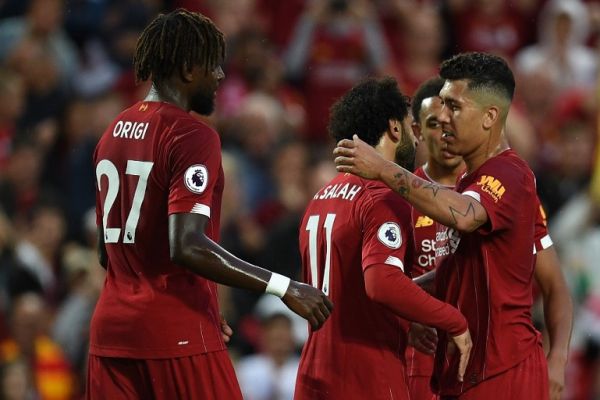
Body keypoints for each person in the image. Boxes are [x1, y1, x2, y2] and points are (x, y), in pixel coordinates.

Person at [87, 9, 332, 400]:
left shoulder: (112, 132)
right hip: (173, 331)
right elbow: (186, 245)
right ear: (188, 69)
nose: (220, 76)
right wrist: (284, 286)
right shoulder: (190, 134)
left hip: (111, 333)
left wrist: (201, 297)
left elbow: (106, 250)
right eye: (213, 66)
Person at [334, 52, 549, 399]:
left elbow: (466, 214)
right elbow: (460, 271)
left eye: (454, 107)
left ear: (490, 116)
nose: (443, 117)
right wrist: (406, 299)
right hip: (468, 370)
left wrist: (382, 168)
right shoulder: (470, 181)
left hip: (503, 369)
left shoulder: (511, 173)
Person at [294, 77, 472, 400]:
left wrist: (407, 319)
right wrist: (454, 320)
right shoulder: (382, 197)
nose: (415, 139)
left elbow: (349, 289)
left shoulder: (320, 197)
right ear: (393, 128)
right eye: (408, 125)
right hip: (364, 376)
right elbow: (381, 282)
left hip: (313, 374)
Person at [407, 77, 573, 400]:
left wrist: (558, 359)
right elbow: (388, 282)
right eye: (435, 123)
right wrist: (406, 312)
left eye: (454, 118)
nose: (446, 131)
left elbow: (554, 284)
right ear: (417, 132)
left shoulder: (505, 191)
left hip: (489, 367)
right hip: (421, 363)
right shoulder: (398, 200)